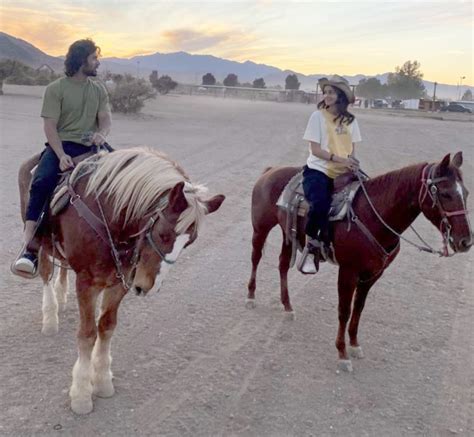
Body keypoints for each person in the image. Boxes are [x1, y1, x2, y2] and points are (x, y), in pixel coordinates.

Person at [13, 38, 112, 275]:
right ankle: (30, 249)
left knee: (122, 180)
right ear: (80, 60)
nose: (97, 63)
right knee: (41, 182)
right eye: (93, 58)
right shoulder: (56, 89)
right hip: (62, 146)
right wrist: (60, 155)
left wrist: (101, 134)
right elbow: (50, 127)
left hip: (92, 147)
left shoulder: (98, 89)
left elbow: (106, 119)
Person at [297, 75, 361, 274]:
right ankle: (310, 248)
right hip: (319, 170)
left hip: (344, 171)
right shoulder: (317, 116)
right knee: (320, 203)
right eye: (325, 92)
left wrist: (352, 163)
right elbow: (315, 150)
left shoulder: (351, 120)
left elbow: (352, 148)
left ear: (341, 95)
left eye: (331, 92)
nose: (327, 95)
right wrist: (340, 160)